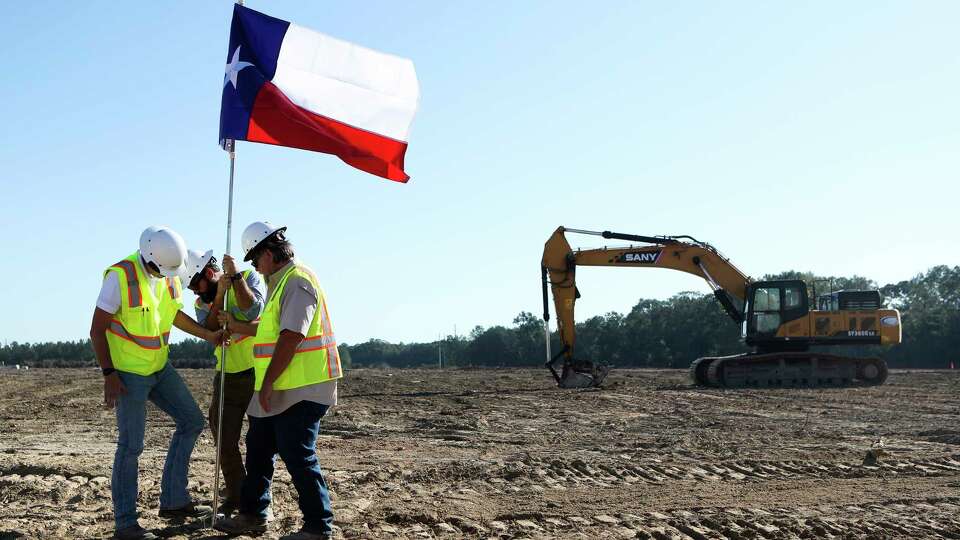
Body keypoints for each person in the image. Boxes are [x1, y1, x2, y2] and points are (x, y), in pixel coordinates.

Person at [89, 226, 221, 540]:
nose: (164, 277)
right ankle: (125, 524)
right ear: (148, 258)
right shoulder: (120, 277)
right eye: (160, 272)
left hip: (159, 367)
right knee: (131, 446)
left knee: (191, 421)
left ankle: (174, 502)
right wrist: (109, 374)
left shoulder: (170, 272)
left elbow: (173, 315)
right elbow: (97, 330)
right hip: (128, 375)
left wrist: (209, 335)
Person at [214, 222, 342, 540]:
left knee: (296, 452)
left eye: (255, 260)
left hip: (303, 387)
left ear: (268, 254)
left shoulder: (298, 281)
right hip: (279, 387)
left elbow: (291, 337)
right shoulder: (279, 283)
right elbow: (268, 329)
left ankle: (318, 526)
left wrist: (267, 382)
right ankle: (254, 515)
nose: (255, 267)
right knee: (258, 448)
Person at [180, 248, 265, 516]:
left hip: (258, 372)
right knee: (223, 438)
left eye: (196, 284)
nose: (195, 291)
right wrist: (218, 295)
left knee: (261, 440)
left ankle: (261, 499)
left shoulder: (249, 276)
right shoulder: (203, 301)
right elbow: (209, 328)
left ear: (208, 272)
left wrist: (236, 278)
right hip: (227, 374)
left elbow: (252, 309)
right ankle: (238, 494)